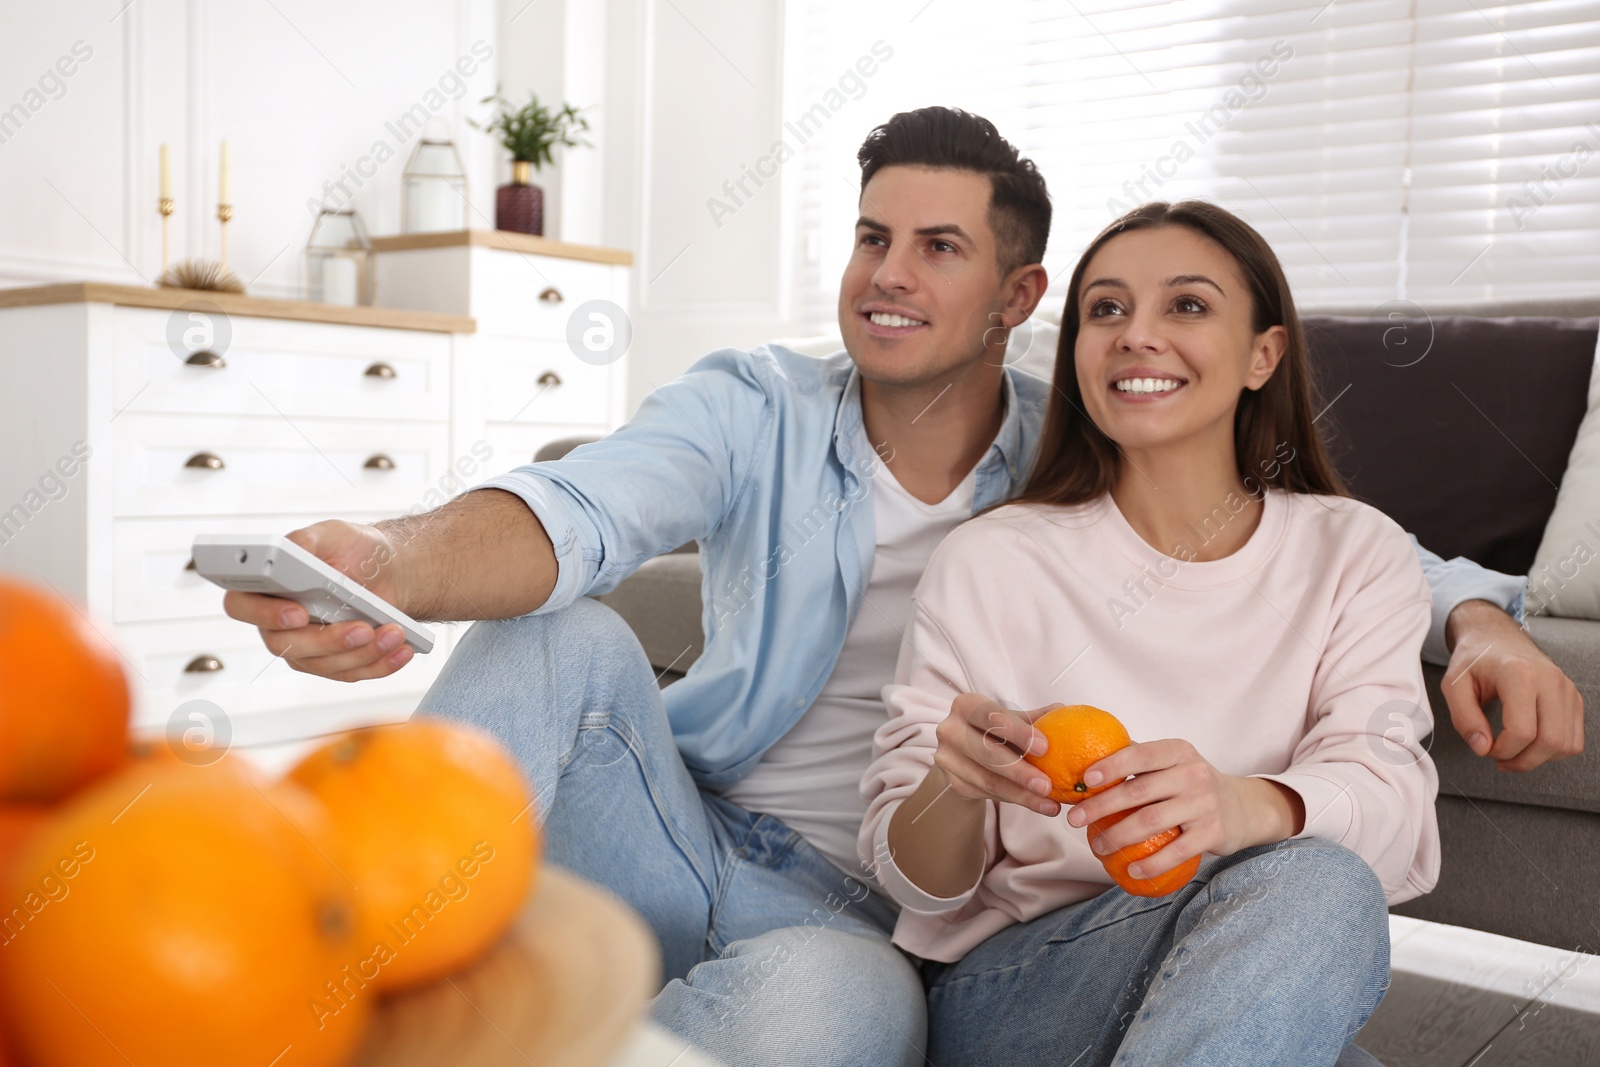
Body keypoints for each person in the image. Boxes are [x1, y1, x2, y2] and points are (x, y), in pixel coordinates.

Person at [223, 108, 1583, 1066]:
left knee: (840, 1019)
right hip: (677, 824)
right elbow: (577, 510)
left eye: (938, 246)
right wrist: (388, 560)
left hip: (865, 918)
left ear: (1015, 292)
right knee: (560, 634)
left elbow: (1326, 536)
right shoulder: (754, 404)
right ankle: (329, 985)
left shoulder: (1087, 446)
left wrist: (1475, 612)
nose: (887, 273)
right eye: (874, 235)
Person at [859, 200, 1445, 1066]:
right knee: (1319, 887)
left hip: (1254, 962)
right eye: (1106, 309)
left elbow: (1395, 808)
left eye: (1188, 305)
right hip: (1022, 990)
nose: (1137, 334)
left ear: (1263, 355)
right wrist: (955, 783)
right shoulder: (992, 559)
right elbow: (916, 885)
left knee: (1318, 906)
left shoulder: (1355, 550)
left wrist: (1239, 802)